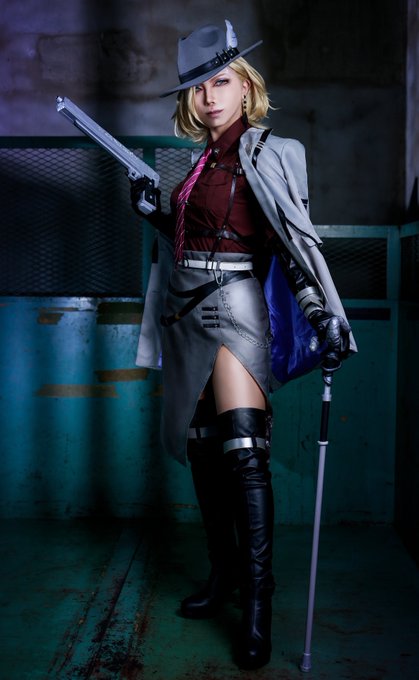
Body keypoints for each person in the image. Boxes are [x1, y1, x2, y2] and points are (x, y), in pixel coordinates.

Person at [130, 19, 357, 670]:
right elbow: (194, 236)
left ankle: (258, 605)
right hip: (184, 309)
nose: (210, 96)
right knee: (204, 448)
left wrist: (318, 312)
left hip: (235, 304)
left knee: (242, 448)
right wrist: (153, 212)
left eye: (222, 82)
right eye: (199, 86)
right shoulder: (197, 164)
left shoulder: (272, 152)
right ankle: (223, 574)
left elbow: (289, 240)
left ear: (246, 87)